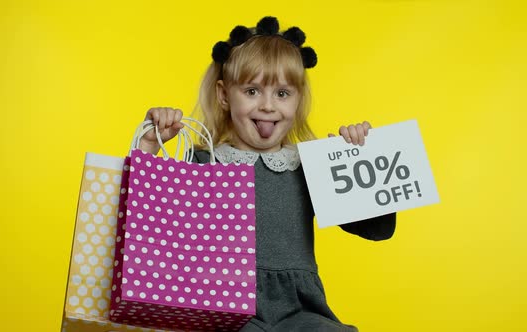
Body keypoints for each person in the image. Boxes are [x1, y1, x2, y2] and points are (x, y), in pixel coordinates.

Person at [138, 16, 396, 332]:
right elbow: (146, 214)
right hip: (223, 307)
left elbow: (377, 227)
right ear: (224, 95)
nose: (269, 106)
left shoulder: (311, 166)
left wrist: (358, 157)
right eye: (252, 91)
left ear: (299, 98)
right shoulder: (202, 163)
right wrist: (150, 144)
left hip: (300, 309)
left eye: (283, 94)